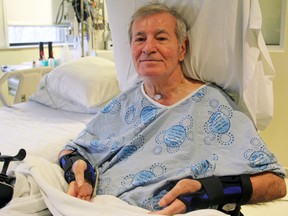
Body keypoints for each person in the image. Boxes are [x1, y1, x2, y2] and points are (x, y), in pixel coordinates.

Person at [58, 3, 286, 215]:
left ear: (182, 49)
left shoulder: (213, 105)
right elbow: (72, 151)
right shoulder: (123, 104)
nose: (148, 48)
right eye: (139, 39)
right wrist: (79, 172)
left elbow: (275, 183)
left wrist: (205, 192)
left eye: (161, 37)